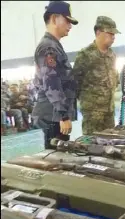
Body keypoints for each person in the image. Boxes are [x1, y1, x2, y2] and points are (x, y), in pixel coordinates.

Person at [32, 1, 78, 149]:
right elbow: (52, 83)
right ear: (53, 19)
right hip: (54, 117)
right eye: (67, 21)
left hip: (55, 116)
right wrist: (63, 115)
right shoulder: (48, 47)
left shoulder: (54, 45)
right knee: (56, 159)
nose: (70, 26)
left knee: (59, 155)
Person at [72, 16, 120, 135]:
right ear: (98, 32)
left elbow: (115, 80)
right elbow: (74, 83)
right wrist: (88, 104)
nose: (113, 37)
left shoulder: (111, 55)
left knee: (110, 145)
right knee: (91, 146)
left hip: (109, 112)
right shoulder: (85, 55)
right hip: (92, 114)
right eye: (110, 33)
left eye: (114, 34)